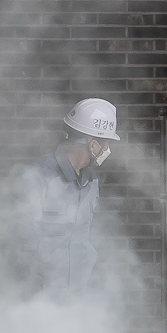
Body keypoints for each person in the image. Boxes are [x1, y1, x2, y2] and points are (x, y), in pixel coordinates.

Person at [30, 97, 119, 293]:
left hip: (79, 294)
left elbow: (88, 235)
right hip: (42, 295)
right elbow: (20, 237)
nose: (108, 151)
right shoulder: (40, 175)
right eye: (106, 144)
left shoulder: (91, 181)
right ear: (94, 145)